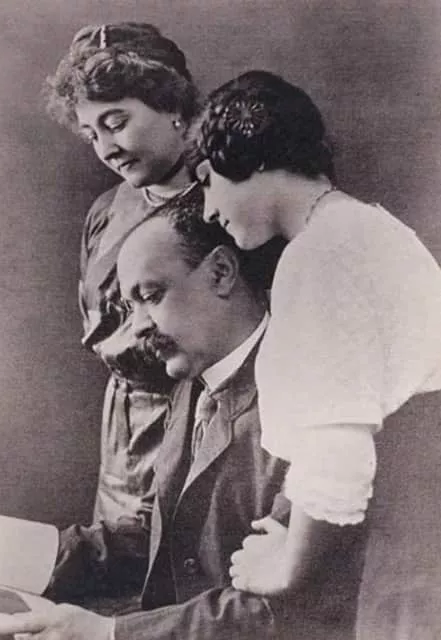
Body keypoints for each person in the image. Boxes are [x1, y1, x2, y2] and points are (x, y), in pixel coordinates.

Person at [0, 187, 365, 640]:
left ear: (221, 273)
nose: (137, 327)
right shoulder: (192, 385)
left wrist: (108, 633)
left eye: (151, 295)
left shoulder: (315, 400)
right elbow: (155, 539)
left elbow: (284, 609)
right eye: (129, 307)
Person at [187, 69, 441, 637]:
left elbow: (337, 446)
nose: (207, 211)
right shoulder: (371, 229)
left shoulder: (320, 254)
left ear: (249, 156)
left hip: (409, 560)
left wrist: (286, 568)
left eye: (207, 182)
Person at [42, 22, 200, 602]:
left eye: (116, 122)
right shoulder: (107, 210)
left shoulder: (228, 208)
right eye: (91, 134)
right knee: (104, 588)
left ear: (173, 105)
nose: (106, 148)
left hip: (197, 426)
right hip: (122, 435)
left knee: (174, 591)